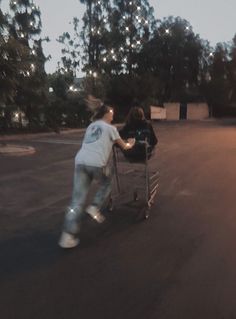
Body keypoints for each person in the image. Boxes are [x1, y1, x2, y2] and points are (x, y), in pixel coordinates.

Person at [58, 101, 135, 249]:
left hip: (80, 162)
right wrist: (131, 142)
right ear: (106, 114)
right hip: (97, 164)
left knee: (76, 201)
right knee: (107, 181)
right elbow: (124, 146)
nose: (113, 117)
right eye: (111, 114)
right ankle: (94, 206)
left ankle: (67, 236)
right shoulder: (111, 128)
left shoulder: (90, 126)